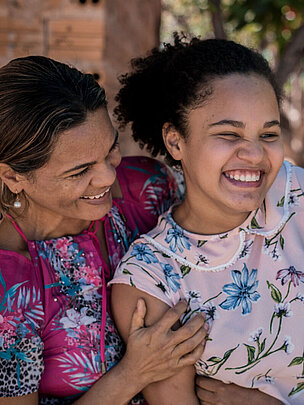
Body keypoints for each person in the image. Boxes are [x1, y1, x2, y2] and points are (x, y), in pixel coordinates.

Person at [110, 33, 304, 405]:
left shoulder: (303, 198)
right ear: (175, 141)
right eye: (229, 133)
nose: (254, 154)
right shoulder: (150, 277)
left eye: (269, 134)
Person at [0, 56, 207, 404]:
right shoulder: (9, 286)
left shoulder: (147, 189)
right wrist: (134, 373)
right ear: (13, 177)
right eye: (79, 171)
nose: (109, 177)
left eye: (111, 149)